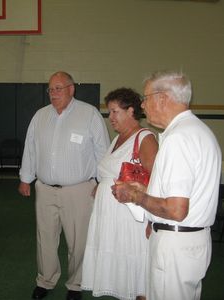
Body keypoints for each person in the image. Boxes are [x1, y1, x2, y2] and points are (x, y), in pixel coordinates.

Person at [111, 71, 222, 300]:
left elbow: (176, 210)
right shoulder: (198, 131)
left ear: (162, 98)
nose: (143, 104)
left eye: (146, 97)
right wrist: (145, 192)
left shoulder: (178, 138)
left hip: (175, 244)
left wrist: (134, 196)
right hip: (190, 241)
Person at [19, 71, 110, 300]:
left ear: (72, 89)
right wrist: (25, 178)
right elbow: (31, 149)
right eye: (50, 89)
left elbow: (102, 151)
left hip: (79, 190)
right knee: (45, 238)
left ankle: (76, 285)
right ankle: (45, 280)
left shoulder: (89, 115)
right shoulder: (40, 116)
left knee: (78, 240)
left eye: (59, 88)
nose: (53, 93)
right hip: (45, 189)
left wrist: (103, 181)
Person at [81, 88, 158, 300]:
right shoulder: (118, 138)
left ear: (131, 111)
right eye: (109, 112)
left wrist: (153, 219)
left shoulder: (145, 138)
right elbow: (111, 172)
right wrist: (102, 186)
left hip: (129, 219)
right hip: (110, 216)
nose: (110, 117)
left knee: (136, 268)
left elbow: (158, 180)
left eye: (115, 112)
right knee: (119, 268)